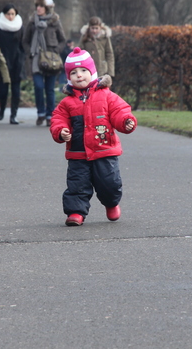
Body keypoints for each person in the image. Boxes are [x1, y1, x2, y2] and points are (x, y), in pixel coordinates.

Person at [49, 47, 137, 226]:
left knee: (109, 183)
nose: (79, 75)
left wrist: (126, 121)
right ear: (68, 77)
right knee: (77, 185)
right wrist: (61, 131)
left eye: (83, 71)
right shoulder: (67, 103)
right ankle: (76, 212)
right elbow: (58, 119)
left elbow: (120, 111)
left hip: (104, 150)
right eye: (73, 72)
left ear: (93, 73)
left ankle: (111, 203)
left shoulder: (106, 95)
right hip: (78, 152)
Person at [22, 0, 66, 126]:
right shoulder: (32, 22)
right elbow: (25, 41)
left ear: (47, 7)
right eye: (37, 6)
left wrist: (56, 50)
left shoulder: (55, 21)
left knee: (50, 89)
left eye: (41, 6)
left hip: (51, 59)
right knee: (38, 86)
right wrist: (30, 52)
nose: (38, 8)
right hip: (37, 58)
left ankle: (50, 115)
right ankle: (40, 113)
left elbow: (63, 40)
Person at [0, 4, 24, 124]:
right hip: (3, 62)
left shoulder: (20, 27)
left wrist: (22, 57)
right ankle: (1, 110)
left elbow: (23, 44)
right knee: (3, 90)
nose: (10, 16)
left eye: (12, 14)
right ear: (4, 14)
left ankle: (13, 115)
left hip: (17, 62)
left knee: (16, 91)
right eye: (8, 14)